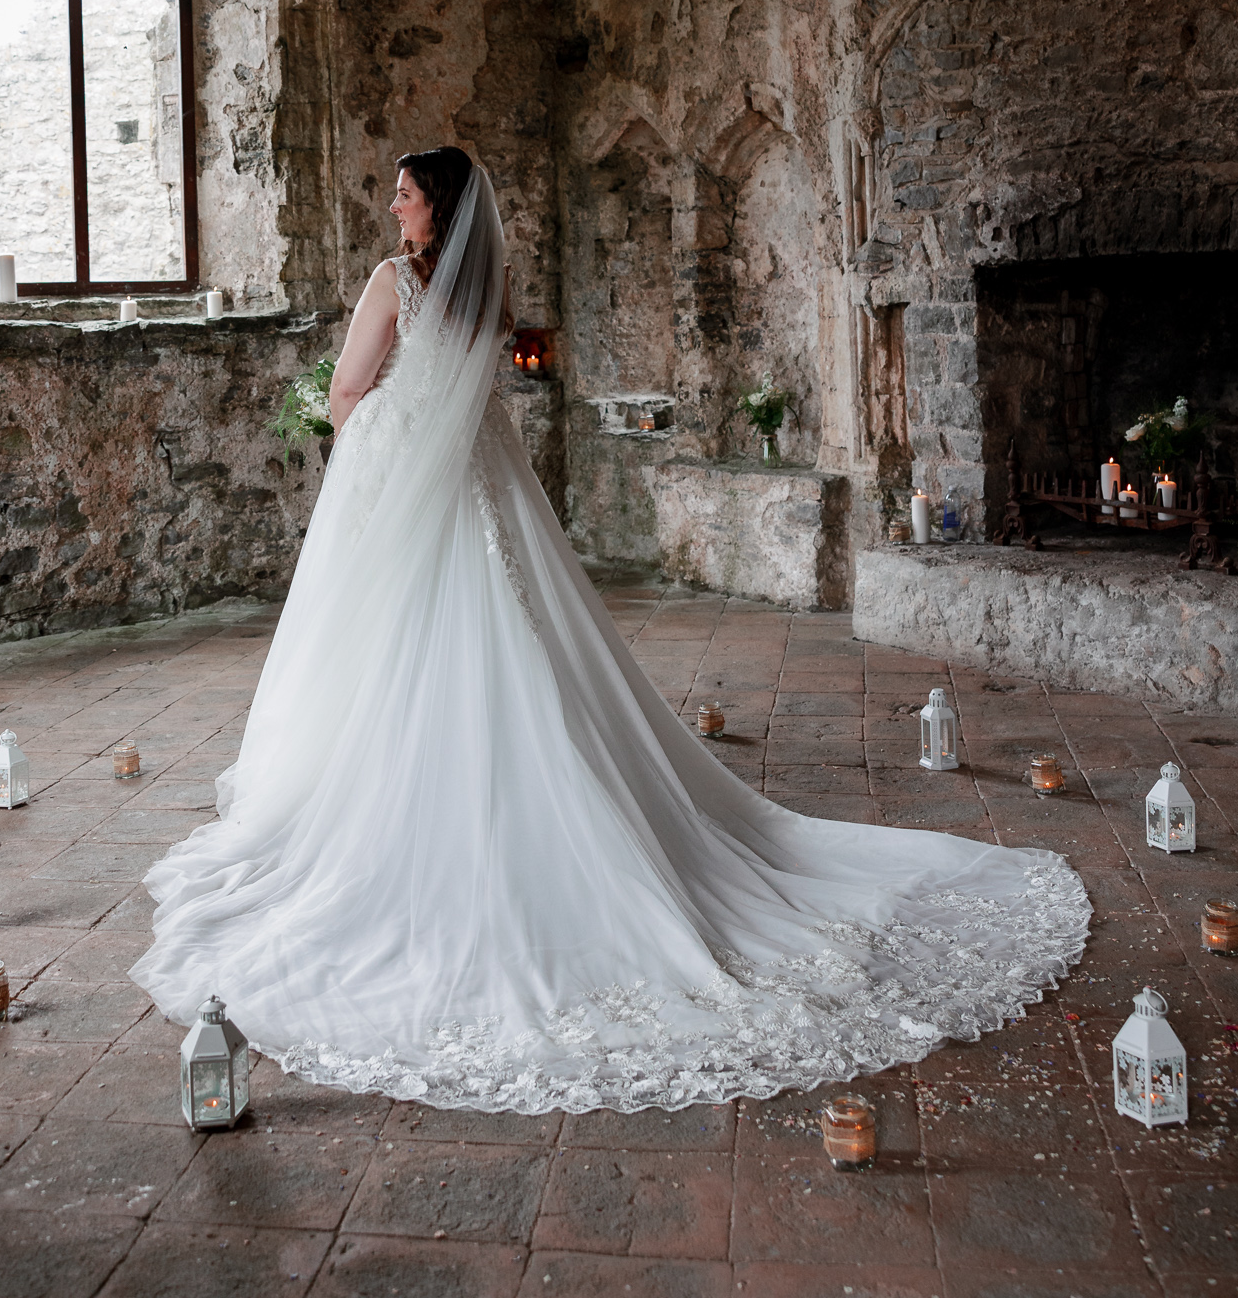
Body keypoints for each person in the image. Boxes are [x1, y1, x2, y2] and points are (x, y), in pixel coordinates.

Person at [132, 148, 1088, 1114]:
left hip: (416, 500)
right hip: (487, 495)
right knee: (519, 647)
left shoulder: (393, 283)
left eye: (406, 194)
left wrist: (359, 428)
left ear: (439, 206)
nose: (392, 207)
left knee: (401, 658)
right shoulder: (482, 292)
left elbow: (346, 396)